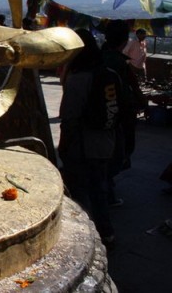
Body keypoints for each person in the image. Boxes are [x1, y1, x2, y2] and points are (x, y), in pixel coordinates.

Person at [58, 29, 121, 247]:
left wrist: (64, 146)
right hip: (106, 142)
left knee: (79, 192)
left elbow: (70, 116)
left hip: (84, 144)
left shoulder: (79, 77)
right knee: (99, 189)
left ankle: (83, 238)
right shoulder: (109, 73)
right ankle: (107, 232)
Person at [102, 20, 147, 205]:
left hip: (99, 117)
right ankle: (106, 192)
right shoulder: (120, 64)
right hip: (116, 116)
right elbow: (132, 90)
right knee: (117, 154)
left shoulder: (97, 58)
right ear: (125, 40)